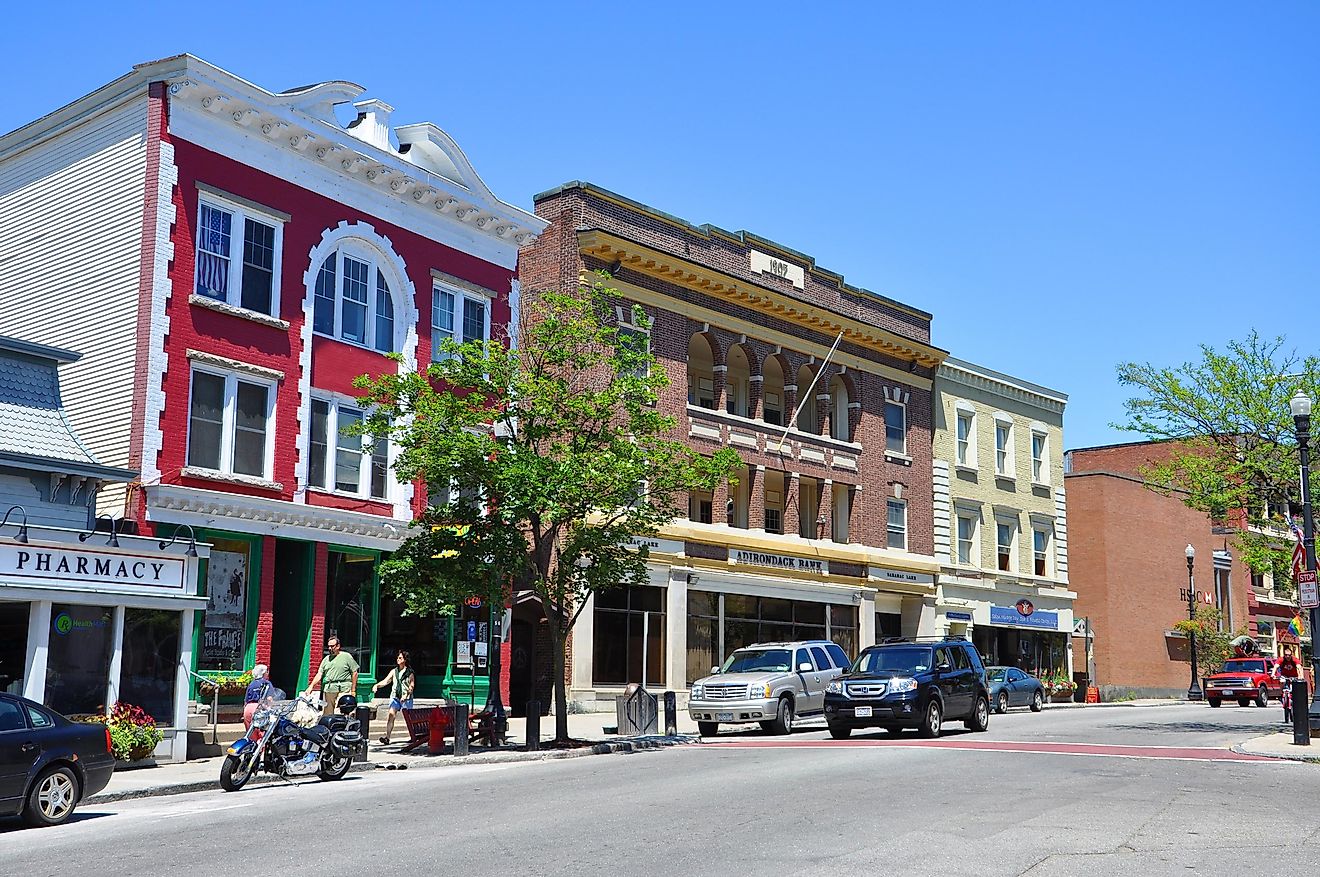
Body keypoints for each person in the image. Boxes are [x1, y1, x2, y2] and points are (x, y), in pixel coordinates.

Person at [306, 636, 359, 716]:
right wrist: (311, 686)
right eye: (329, 646)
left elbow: (354, 672)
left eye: (332, 646)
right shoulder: (326, 659)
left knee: (343, 711)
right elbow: (319, 674)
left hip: (344, 688)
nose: (330, 648)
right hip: (329, 689)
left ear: (338, 646)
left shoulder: (346, 656)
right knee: (328, 713)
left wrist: (353, 690)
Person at [371, 650, 415, 744]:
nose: (398, 660)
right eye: (398, 658)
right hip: (395, 697)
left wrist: (406, 695)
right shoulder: (394, 671)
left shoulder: (409, 672)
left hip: (406, 698)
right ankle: (387, 737)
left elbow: (411, 686)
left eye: (400, 658)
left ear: (405, 660)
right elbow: (386, 681)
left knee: (409, 718)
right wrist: (377, 685)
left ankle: (413, 736)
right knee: (391, 715)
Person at [243, 664, 274, 729]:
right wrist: (270, 709)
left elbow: (245, 701)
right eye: (267, 671)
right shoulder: (267, 683)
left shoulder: (251, 684)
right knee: (261, 734)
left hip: (248, 709)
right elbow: (269, 699)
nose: (268, 673)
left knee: (250, 734)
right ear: (264, 673)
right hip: (259, 708)